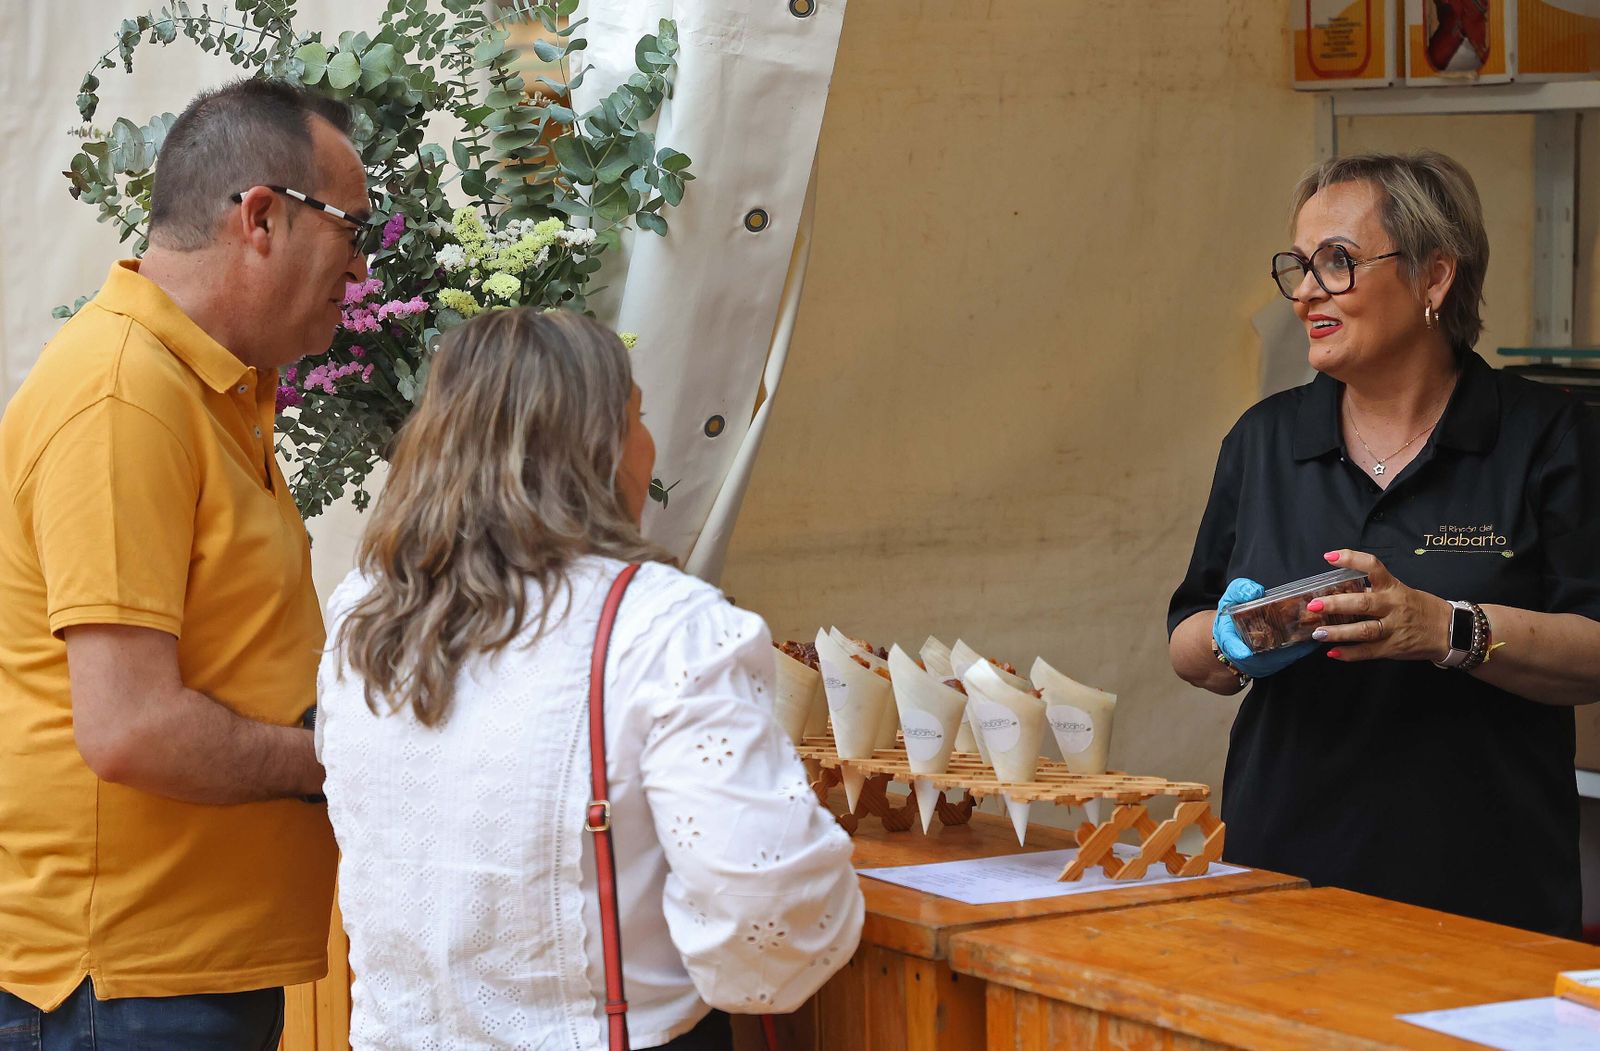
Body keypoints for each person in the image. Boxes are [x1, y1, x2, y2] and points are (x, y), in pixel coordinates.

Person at [316, 307, 864, 1050]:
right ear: (597, 449)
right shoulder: (663, 625)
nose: (650, 445)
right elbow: (765, 899)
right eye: (636, 418)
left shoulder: (366, 615)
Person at [0, 78, 369, 1046]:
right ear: (261, 217)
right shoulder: (124, 394)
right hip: (117, 982)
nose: (362, 270)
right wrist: (343, 757)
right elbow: (131, 728)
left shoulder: (203, 382)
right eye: (353, 231)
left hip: (177, 967)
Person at [1168, 150, 1600, 938]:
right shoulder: (1264, 441)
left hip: (1484, 888)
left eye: (1338, 262)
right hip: (1283, 878)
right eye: (1299, 266)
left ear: (1435, 278)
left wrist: (1445, 629)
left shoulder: (1548, 437)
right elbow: (1188, 640)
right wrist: (1237, 639)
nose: (1305, 293)